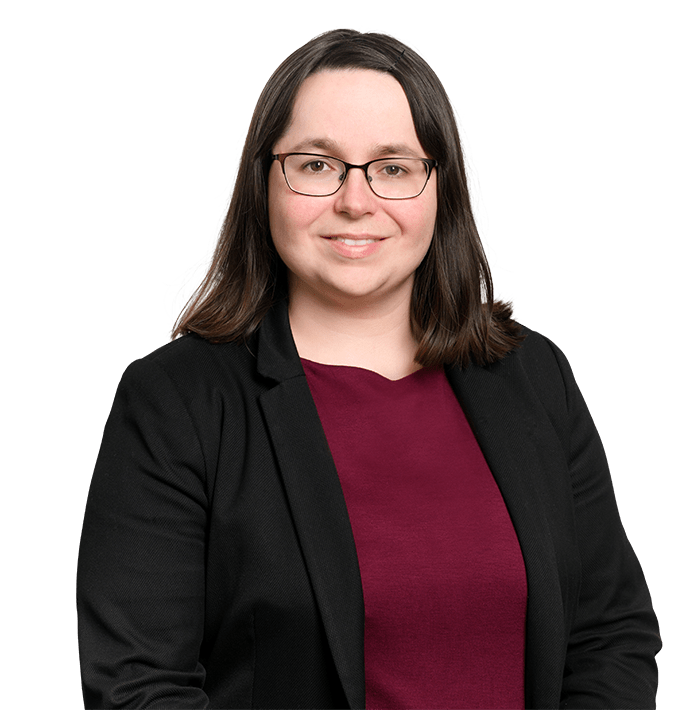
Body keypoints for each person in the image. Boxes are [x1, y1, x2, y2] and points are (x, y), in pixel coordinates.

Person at [76, 28, 661, 710]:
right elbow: (139, 686)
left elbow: (610, 635)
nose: (356, 201)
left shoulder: (535, 376)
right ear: (264, 183)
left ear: (440, 188)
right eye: (316, 165)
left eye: (393, 167)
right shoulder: (175, 402)